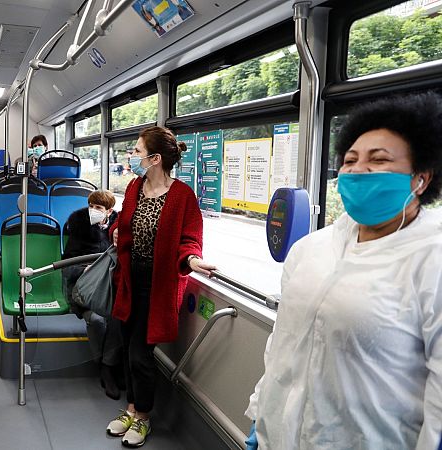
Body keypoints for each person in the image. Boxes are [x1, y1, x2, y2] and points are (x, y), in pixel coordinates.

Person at [245, 93, 442, 449]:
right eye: (350, 160)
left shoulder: (432, 259)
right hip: (279, 435)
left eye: (378, 160)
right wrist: (260, 412)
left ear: (421, 180)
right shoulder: (312, 249)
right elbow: (282, 344)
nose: (357, 169)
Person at [106, 126, 215, 447]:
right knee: (127, 348)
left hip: (158, 287)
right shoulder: (134, 187)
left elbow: (190, 239)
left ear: (155, 158)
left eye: (138, 152)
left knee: (141, 354)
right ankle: (130, 408)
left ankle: (143, 417)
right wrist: (114, 229)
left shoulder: (182, 196)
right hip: (127, 280)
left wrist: (192, 260)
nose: (133, 156)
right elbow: (124, 222)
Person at [61, 190, 123, 400]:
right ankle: (103, 365)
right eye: (91, 206)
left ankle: (109, 366)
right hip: (85, 291)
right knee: (97, 320)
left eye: (99, 208)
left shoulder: (118, 230)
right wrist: (83, 270)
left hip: (109, 289)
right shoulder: (79, 228)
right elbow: (67, 269)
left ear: (109, 212)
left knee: (117, 319)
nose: (93, 211)